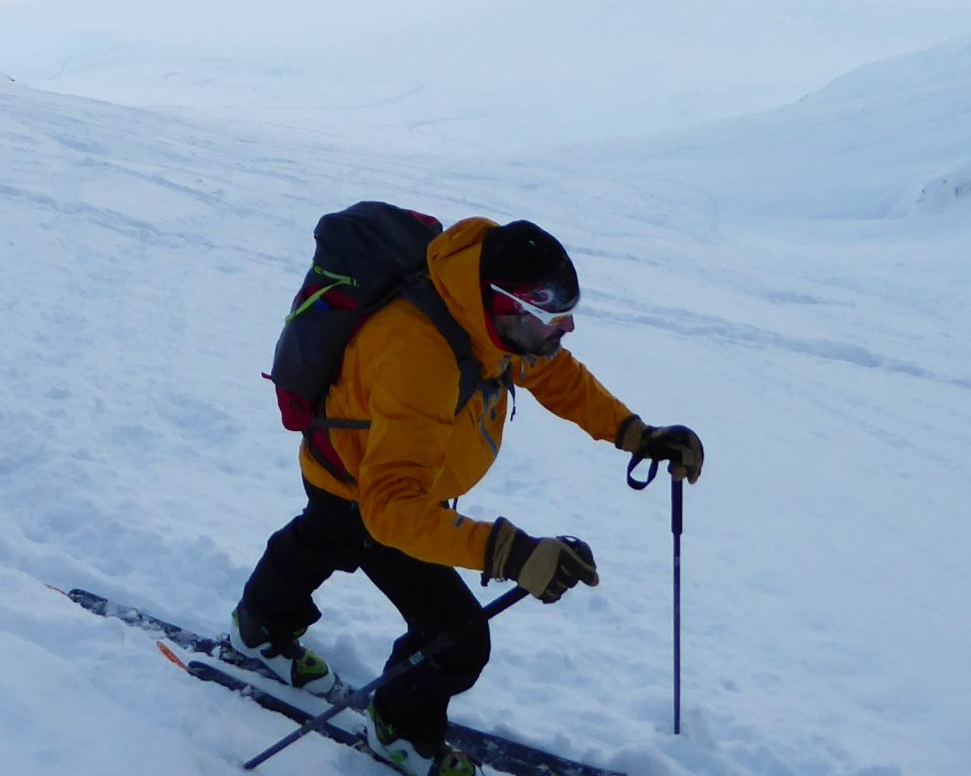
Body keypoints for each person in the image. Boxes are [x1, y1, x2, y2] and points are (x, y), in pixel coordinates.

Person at [232, 218, 704, 776]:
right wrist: (508, 552)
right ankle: (400, 730)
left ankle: (260, 622)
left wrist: (635, 433)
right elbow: (391, 511)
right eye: (552, 317)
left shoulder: (482, 317)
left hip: (353, 466)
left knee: (320, 539)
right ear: (504, 307)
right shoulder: (419, 356)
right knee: (456, 637)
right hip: (368, 491)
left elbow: (555, 376)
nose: (568, 327)